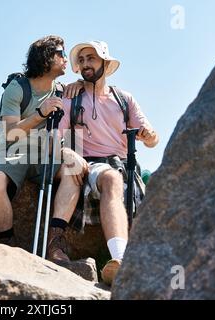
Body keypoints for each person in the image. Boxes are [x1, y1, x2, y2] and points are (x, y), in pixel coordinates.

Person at [46, 40, 159, 286]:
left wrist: (149, 136)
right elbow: (53, 140)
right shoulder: (70, 98)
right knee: (110, 178)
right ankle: (120, 261)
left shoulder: (124, 98)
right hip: (92, 165)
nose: (86, 64)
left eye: (91, 58)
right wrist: (67, 152)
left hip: (126, 166)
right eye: (82, 60)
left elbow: (152, 138)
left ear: (105, 63)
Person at [0, 35, 82, 246]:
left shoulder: (61, 90)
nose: (66, 58)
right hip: (12, 151)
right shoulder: (17, 88)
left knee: (73, 170)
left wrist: (81, 83)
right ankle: (7, 244)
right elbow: (9, 133)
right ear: (46, 57)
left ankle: (56, 242)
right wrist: (39, 114)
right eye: (61, 53)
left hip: (44, 153)